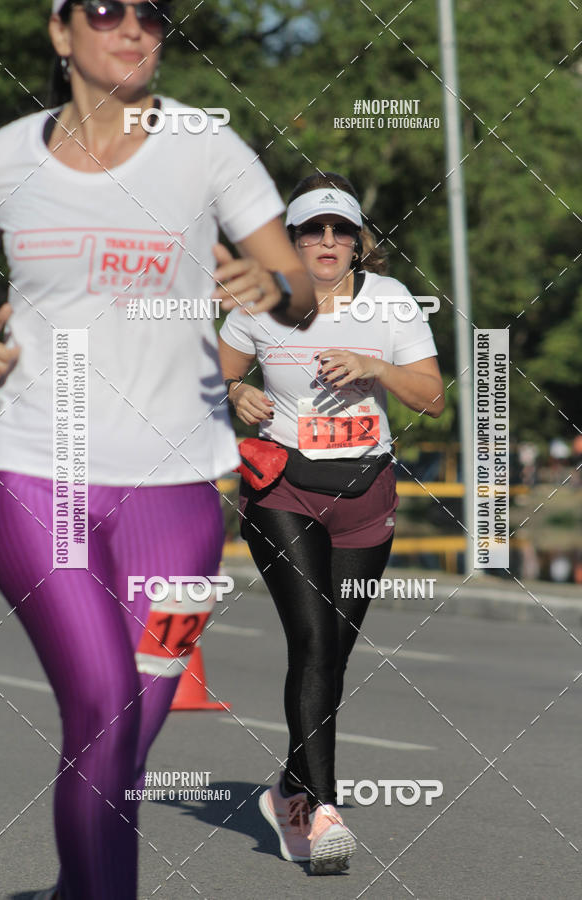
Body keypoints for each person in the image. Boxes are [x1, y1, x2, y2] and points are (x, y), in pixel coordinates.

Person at [0, 2, 316, 898]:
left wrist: (270, 286)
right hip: (37, 472)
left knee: (130, 732)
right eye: (104, 10)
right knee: (99, 709)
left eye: (151, 14)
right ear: (60, 34)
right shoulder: (1, 159)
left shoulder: (208, 149)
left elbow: (296, 290)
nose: (132, 28)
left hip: (176, 495)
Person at [218, 172, 444, 874]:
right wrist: (237, 391)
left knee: (333, 660)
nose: (326, 241)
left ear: (358, 242)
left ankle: (288, 788)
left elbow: (432, 397)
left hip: (364, 493)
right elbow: (209, 378)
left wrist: (375, 364)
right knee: (313, 643)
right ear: (291, 240)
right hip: (284, 490)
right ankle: (323, 813)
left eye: (340, 230)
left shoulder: (390, 301)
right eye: (312, 229)